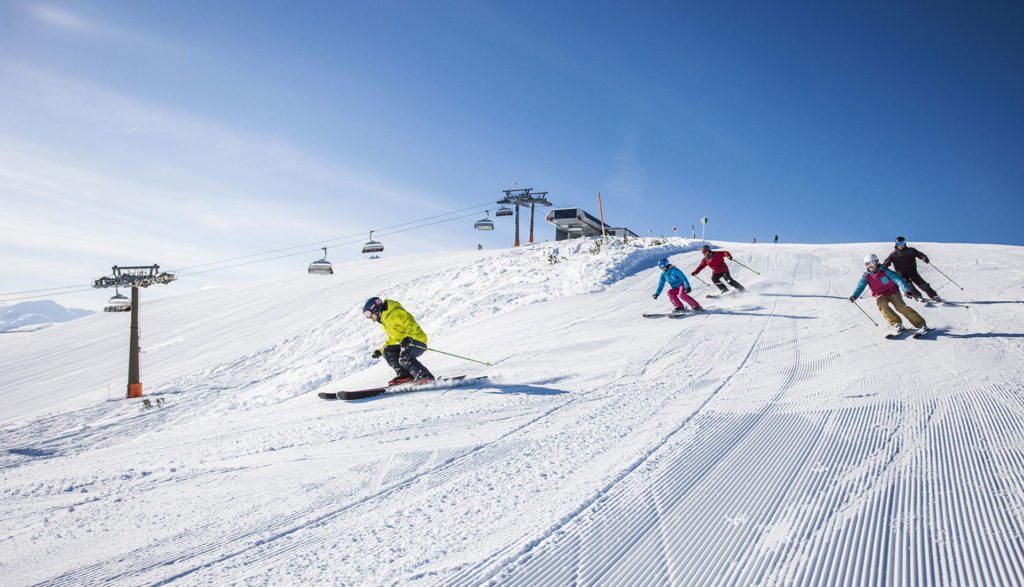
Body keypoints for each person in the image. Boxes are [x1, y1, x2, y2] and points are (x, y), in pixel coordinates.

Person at [850, 254, 929, 335]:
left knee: (900, 307)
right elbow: (860, 286)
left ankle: (921, 324)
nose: (870, 266)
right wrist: (854, 295)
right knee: (881, 304)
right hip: (880, 294)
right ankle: (897, 324)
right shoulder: (866, 276)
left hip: (893, 292)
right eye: (867, 264)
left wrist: (906, 290)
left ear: (876, 262)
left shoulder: (885, 271)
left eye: (872, 263)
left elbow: (898, 280)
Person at [362, 297, 435, 385]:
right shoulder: (385, 321)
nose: (371, 319)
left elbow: (411, 323)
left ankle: (425, 377)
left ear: (375, 309)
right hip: (407, 343)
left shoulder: (395, 312)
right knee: (387, 351)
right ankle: (405, 375)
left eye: (369, 315)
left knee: (404, 358)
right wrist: (380, 351)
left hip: (417, 340)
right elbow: (392, 338)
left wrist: (409, 337)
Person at [882, 236, 940, 302]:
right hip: (901, 273)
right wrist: (884, 266)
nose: (900, 245)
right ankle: (918, 296)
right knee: (909, 285)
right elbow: (887, 262)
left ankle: (934, 295)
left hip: (912, 271)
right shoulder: (893, 254)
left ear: (905, 243)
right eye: (898, 244)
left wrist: (924, 257)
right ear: (896, 244)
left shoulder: (911, 250)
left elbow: (919, 254)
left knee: (922, 283)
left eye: (902, 243)